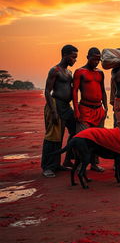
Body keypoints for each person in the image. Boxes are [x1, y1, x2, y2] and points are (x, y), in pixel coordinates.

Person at [41, 44, 78, 178]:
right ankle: (48, 167)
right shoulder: (55, 70)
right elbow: (47, 91)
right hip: (55, 105)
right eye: (73, 57)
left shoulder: (69, 72)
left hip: (66, 107)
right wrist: (54, 111)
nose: (75, 60)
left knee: (76, 130)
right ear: (66, 55)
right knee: (53, 137)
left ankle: (65, 160)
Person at [72, 47, 108, 172]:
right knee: (83, 138)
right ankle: (80, 165)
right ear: (88, 57)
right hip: (85, 109)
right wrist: (76, 109)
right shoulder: (79, 72)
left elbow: (103, 90)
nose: (96, 62)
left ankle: (94, 164)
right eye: (94, 59)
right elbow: (75, 91)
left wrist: (106, 107)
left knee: (97, 139)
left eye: (98, 60)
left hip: (99, 109)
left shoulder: (100, 73)